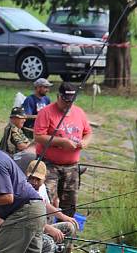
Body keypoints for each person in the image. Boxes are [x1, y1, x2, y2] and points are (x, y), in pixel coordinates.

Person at [33, 81, 92, 217]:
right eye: (65, 101)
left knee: (70, 202)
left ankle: (66, 232)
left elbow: (88, 132)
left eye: (71, 101)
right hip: (49, 164)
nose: (68, 105)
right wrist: (62, 142)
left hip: (72, 166)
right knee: (46, 198)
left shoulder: (79, 112)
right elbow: (39, 137)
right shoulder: (46, 112)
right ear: (58, 96)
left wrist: (85, 142)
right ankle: (46, 231)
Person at [25, 160, 78, 253]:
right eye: (31, 178)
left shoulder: (42, 188)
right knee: (49, 240)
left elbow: (46, 204)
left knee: (69, 227)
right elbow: (28, 219)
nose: (34, 182)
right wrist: (48, 229)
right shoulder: (23, 189)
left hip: (40, 227)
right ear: (26, 175)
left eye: (37, 179)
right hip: (28, 230)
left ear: (44, 179)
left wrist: (63, 216)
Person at [0, 106, 36, 172]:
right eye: (21, 118)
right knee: (32, 156)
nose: (24, 120)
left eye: (24, 118)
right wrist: (32, 145)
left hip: (7, 156)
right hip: (9, 158)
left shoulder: (16, 128)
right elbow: (21, 146)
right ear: (13, 118)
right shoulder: (13, 128)